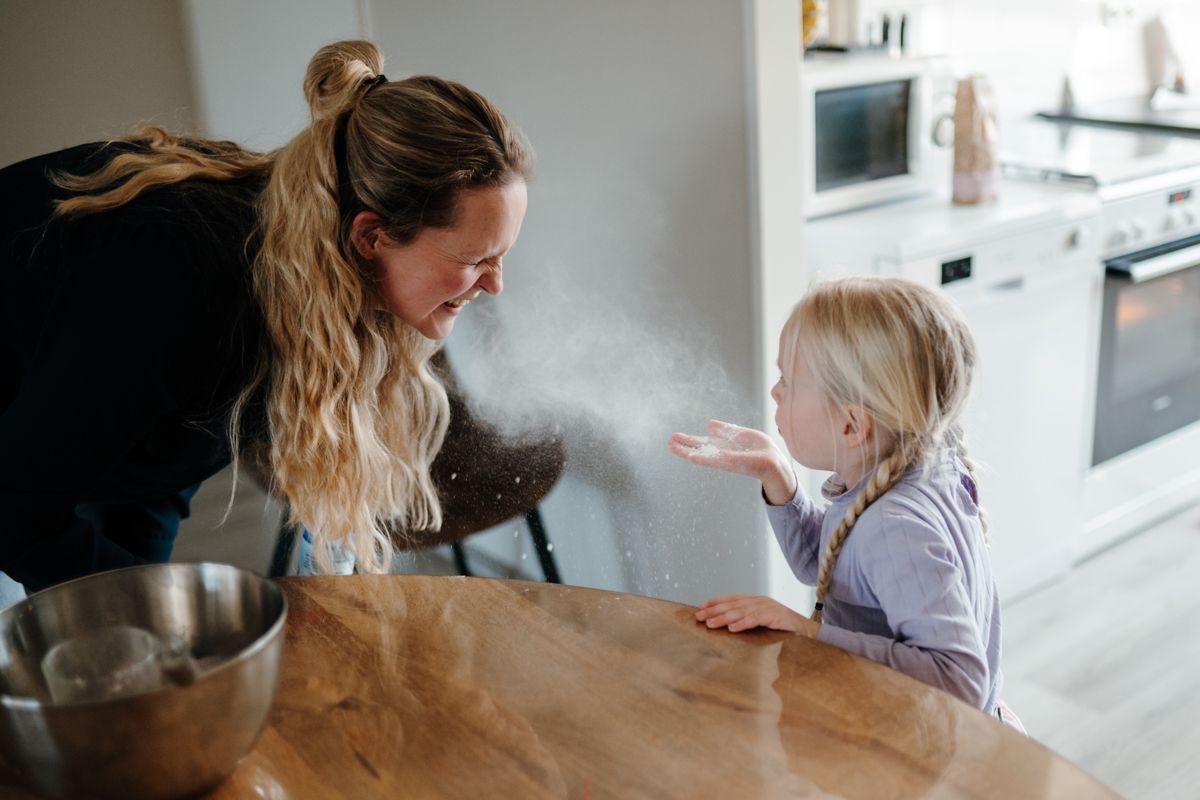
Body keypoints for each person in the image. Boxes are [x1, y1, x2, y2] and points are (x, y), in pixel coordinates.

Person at [0, 39, 531, 593]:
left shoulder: (308, 281)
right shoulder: (189, 281)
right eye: (475, 260)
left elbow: (160, 460)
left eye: (502, 256)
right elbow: (16, 507)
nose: (495, 285)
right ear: (372, 235)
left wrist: (141, 604)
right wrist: (150, 616)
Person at [669, 276, 1024, 731]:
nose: (776, 393)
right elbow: (836, 566)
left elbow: (958, 679)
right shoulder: (910, 467)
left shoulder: (896, 526)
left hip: (933, 761)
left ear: (853, 427)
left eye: (788, 382)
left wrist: (810, 633)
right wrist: (778, 477)